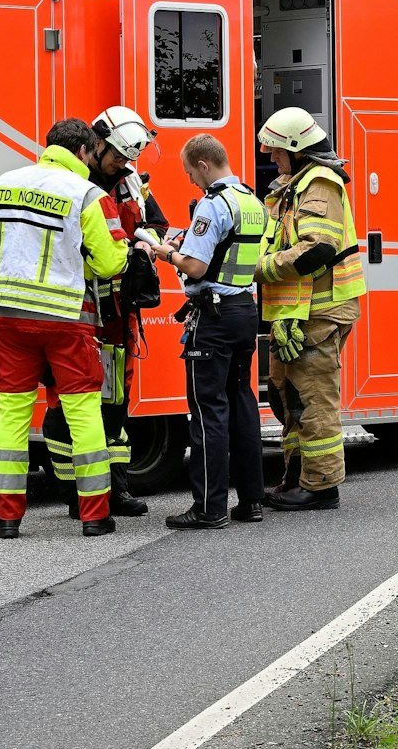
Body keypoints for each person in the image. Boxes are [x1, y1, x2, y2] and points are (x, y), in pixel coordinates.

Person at [0, 118, 128, 539]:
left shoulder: (1, 185)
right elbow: (110, 263)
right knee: (83, 414)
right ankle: (95, 516)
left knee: (10, 413)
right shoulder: (88, 194)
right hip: (66, 317)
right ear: (84, 152)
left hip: (8, 316)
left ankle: (7, 517)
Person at [43, 106, 162, 519]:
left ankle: (117, 488)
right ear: (95, 145)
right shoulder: (73, 183)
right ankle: (73, 492)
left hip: (117, 313)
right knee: (67, 404)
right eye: (116, 155)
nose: (122, 164)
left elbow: (156, 223)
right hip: (75, 309)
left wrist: (145, 242)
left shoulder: (130, 182)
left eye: (128, 158)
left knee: (115, 404)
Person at [144, 133, 268, 529]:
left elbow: (196, 267)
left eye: (189, 173)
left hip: (212, 320)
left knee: (206, 410)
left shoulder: (213, 205)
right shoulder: (252, 201)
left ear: (203, 165)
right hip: (244, 311)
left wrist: (167, 254)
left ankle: (209, 508)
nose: (191, 182)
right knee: (243, 404)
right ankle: (251, 502)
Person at [255, 106, 366, 511]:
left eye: (276, 150)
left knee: (314, 398)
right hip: (298, 314)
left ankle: (320, 487)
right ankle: (296, 476)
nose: (271, 157)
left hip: (320, 313)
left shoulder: (319, 183)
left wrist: (262, 269)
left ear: (297, 148)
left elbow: (318, 248)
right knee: (286, 396)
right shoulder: (295, 185)